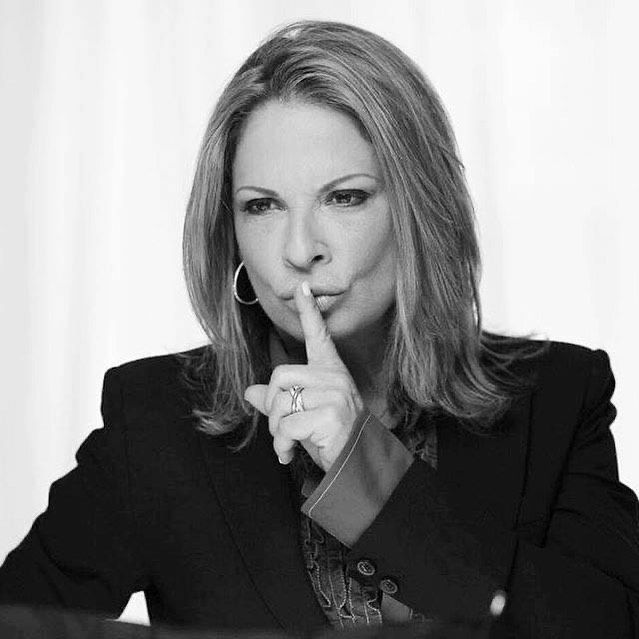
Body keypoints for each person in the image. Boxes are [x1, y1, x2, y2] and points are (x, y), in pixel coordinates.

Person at [1, 18, 638, 638]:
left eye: (344, 197)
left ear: (419, 208)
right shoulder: (158, 418)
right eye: (262, 205)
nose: (300, 249)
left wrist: (366, 472)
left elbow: (605, 625)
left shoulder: (556, 398)